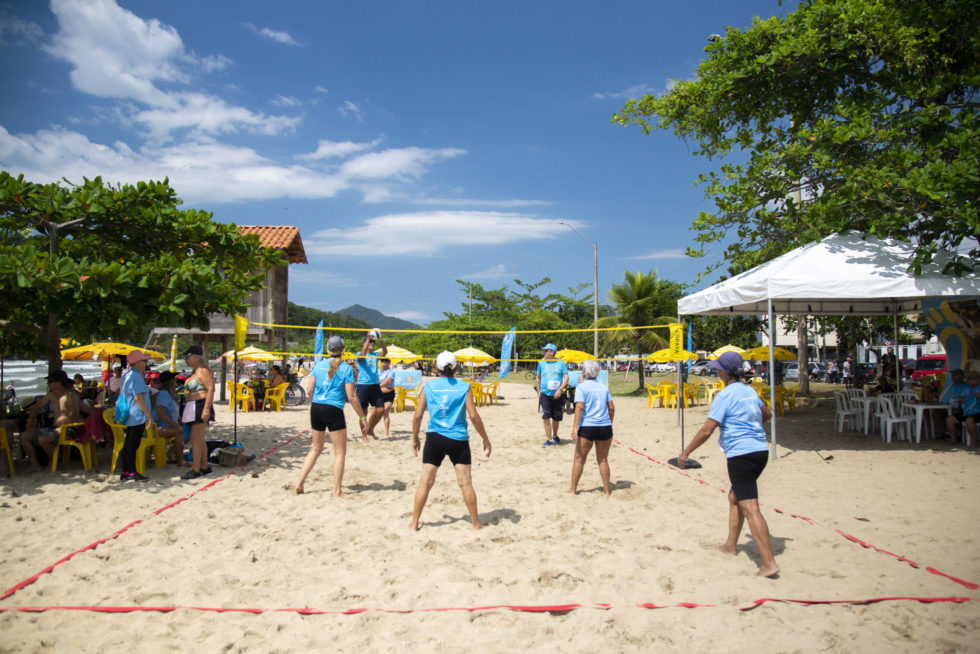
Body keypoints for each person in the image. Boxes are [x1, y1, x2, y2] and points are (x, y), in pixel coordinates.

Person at [678, 351, 779, 577]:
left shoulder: (725, 396)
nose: (716, 371)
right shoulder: (749, 391)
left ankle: (769, 563)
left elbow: (707, 429)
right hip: (760, 450)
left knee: (750, 506)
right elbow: (768, 413)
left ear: (725, 372)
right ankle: (730, 546)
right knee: (735, 497)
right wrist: (749, 424)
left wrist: (685, 452)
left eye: (718, 368)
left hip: (741, 454)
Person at [409, 351, 492, 531]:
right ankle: (476, 524)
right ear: (455, 368)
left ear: (436, 368)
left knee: (425, 482)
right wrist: (485, 439)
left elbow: (417, 416)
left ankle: (414, 523)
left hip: (435, 438)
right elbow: (474, 416)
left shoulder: (428, 387)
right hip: (458, 439)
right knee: (465, 483)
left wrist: (415, 438)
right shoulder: (464, 386)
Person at [295, 336, 367, 496]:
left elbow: (308, 391)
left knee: (315, 448)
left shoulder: (319, 365)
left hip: (316, 408)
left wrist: (320, 398)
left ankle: (300, 483)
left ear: (328, 350)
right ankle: (336, 491)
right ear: (343, 350)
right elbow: (352, 396)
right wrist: (362, 417)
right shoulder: (346, 369)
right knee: (340, 452)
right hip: (333, 409)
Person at [568, 360, 615, 495]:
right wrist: (609, 422)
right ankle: (606, 490)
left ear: (584, 372)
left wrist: (574, 427)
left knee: (579, 459)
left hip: (588, 426)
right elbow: (611, 408)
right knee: (603, 459)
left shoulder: (582, 387)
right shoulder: (603, 387)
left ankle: (573, 489)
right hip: (604, 426)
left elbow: (580, 407)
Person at [19, 370, 81, 472]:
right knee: (24, 436)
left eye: (50, 381)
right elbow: (36, 407)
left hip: (68, 429)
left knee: (43, 439)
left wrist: (61, 422)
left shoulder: (70, 395)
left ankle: (53, 462)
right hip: (53, 428)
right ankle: (35, 465)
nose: (48, 384)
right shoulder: (51, 395)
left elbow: (72, 416)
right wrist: (31, 420)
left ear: (59, 382)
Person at [179, 345, 215, 480]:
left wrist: (206, 409)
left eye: (188, 357)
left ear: (195, 357)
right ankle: (204, 465)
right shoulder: (195, 371)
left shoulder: (204, 371)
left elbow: (210, 389)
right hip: (192, 405)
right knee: (199, 438)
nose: (186, 360)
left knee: (196, 438)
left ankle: (196, 468)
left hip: (200, 405)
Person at [118, 351, 153, 482]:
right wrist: (149, 416)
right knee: (132, 444)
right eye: (144, 361)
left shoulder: (127, 375)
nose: (145, 364)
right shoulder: (136, 376)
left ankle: (126, 471)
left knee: (128, 444)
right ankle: (131, 472)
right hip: (136, 414)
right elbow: (138, 397)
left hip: (130, 413)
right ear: (137, 362)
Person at [355, 331, 388, 441]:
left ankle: (370, 429)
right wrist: (368, 338)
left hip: (375, 385)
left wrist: (381, 340)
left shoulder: (375, 355)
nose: (372, 344)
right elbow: (362, 355)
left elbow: (385, 351)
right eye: (370, 343)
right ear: (365, 343)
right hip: (363, 385)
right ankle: (364, 435)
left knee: (381, 409)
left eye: (373, 343)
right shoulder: (359, 353)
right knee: (363, 413)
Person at [537, 343, 569, 446]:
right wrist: (539, 392)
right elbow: (538, 377)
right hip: (545, 393)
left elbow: (566, 378)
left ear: (552, 352)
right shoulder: (541, 363)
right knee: (546, 417)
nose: (545, 352)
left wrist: (560, 390)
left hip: (557, 394)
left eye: (546, 350)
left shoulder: (561, 363)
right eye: (544, 350)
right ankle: (549, 439)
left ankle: (555, 435)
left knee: (556, 418)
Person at [151, 372, 183, 464]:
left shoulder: (170, 395)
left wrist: (180, 420)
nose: (176, 380)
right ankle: (180, 459)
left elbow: (173, 412)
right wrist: (175, 425)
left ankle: (172, 452)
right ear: (170, 381)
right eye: (174, 378)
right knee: (180, 431)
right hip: (158, 427)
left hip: (165, 425)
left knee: (188, 431)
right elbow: (160, 413)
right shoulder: (164, 394)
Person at [943, 369, 974, 444]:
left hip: (968, 410)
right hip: (954, 408)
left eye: (955, 375)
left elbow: (965, 400)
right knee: (937, 414)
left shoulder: (968, 387)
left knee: (967, 419)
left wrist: (960, 406)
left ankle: (970, 440)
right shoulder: (953, 386)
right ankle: (952, 436)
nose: (952, 377)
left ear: (961, 376)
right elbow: (960, 398)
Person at [377, 358, 396, 438]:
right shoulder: (377, 371)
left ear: (389, 362)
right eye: (382, 361)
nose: (384, 363)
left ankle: (386, 432)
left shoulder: (391, 371)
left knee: (386, 411)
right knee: (376, 413)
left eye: (386, 361)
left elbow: (388, 381)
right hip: (378, 394)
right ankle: (370, 429)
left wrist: (377, 386)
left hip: (388, 395)